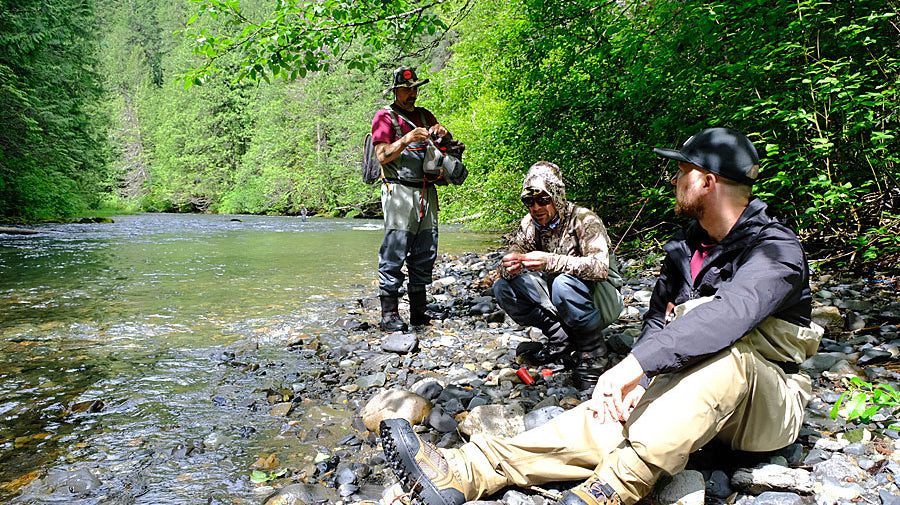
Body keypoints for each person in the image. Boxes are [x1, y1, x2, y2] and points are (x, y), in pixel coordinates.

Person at [379, 128, 823, 505]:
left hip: (767, 407)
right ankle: (468, 470)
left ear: (706, 182)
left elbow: (730, 315)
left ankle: (611, 487)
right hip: (690, 397)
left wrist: (637, 366)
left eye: (681, 171)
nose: (673, 179)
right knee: (606, 409)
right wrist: (636, 381)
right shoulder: (684, 252)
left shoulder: (775, 249)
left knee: (723, 359)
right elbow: (655, 325)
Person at [493, 161, 622, 389]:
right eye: (528, 201)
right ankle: (560, 337)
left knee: (562, 283)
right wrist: (510, 264)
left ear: (557, 196)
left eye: (543, 199)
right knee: (503, 287)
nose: (535, 207)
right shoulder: (529, 225)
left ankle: (593, 351)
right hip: (564, 298)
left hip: (603, 299)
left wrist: (550, 261)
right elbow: (510, 257)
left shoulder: (585, 220)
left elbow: (600, 269)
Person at [371, 66, 451, 332]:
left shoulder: (425, 115)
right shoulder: (384, 118)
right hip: (399, 191)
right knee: (395, 250)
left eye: (415, 88)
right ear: (396, 91)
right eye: (407, 89)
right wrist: (407, 138)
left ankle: (419, 310)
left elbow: (439, 149)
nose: (412, 93)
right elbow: (382, 156)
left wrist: (443, 134)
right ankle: (389, 313)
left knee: (425, 249)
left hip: (427, 191)